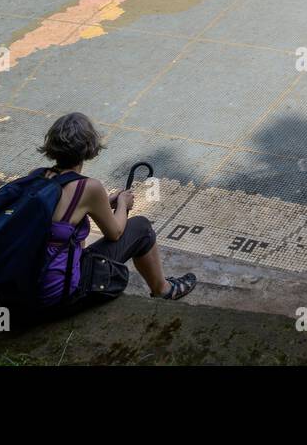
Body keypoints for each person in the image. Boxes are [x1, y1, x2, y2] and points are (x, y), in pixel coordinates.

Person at [38, 112, 195, 305]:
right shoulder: (87, 187)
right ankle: (163, 289)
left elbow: (62, 214)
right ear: (88, 147)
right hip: (54, 295)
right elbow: (115, 232)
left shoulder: (38, 177)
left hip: (21, 286)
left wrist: (103, 203)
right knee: (142, 228)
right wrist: (122, 204)